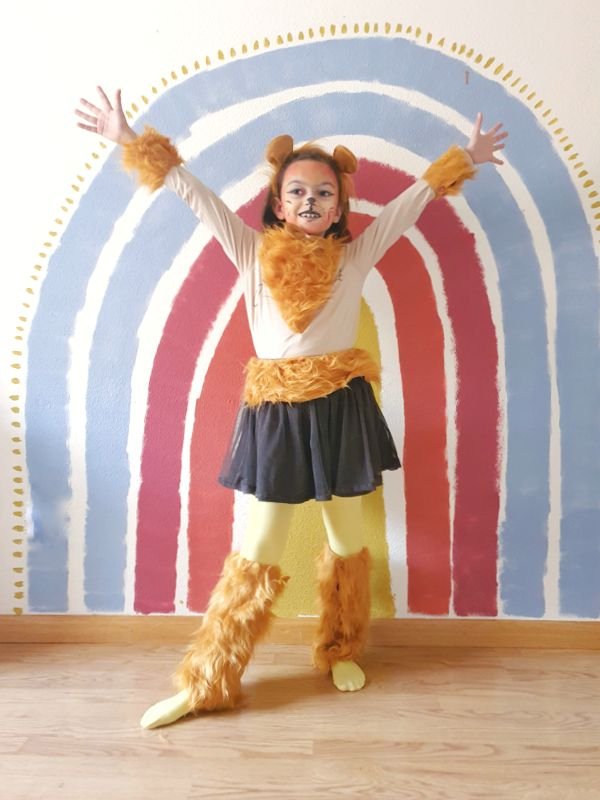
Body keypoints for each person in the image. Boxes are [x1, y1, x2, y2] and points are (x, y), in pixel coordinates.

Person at [76, 87, 507, 729]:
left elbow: (410, 205)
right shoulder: (251, 252)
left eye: (324, 193)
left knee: (347, 536)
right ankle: (209, 679)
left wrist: (463, 159)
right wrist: (131, 139)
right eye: (298, 191)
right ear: (278, 203)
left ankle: (341, 648)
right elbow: (197, 197)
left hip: (339, 411)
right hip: (277, 414)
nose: (311, 200)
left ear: (340, 207)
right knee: (259, 543)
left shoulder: (355, 256)